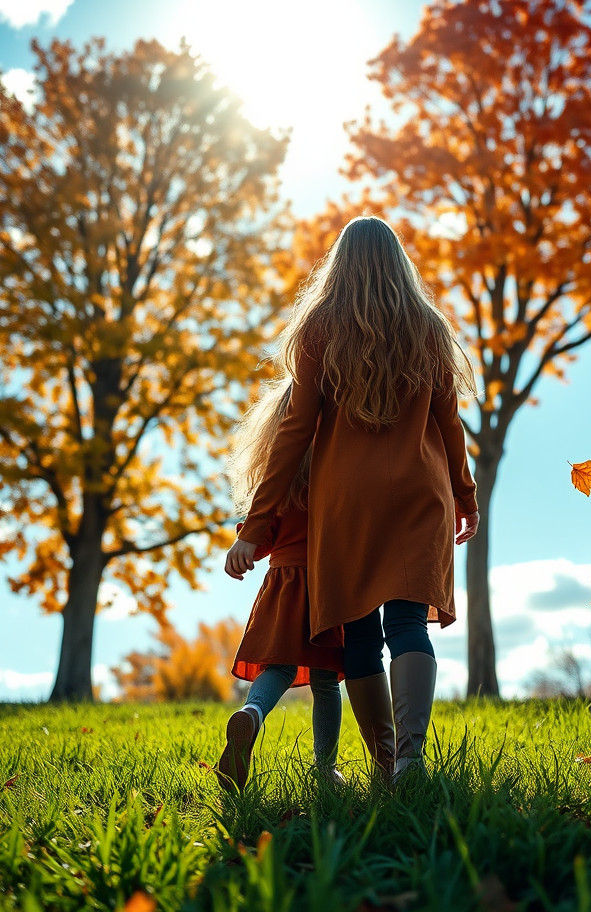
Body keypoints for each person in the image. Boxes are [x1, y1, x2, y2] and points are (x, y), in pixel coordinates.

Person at [225, 215, 479, 785]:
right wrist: (465, 494)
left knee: (362, 632)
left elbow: (292, 432)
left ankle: (385, 764)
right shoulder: (427, 328)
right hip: (421, 493)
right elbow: (450, 423)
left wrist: (254, 525)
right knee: (409, 622)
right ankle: (411, 758)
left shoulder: (321, 328)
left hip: (347, 505)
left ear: (337, 265)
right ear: (399, 264)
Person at [217, 381, 346, 793]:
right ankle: (325, 768)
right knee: (326, 679)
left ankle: (252, 712)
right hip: (327, 587)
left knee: (279, 666)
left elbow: (261, 537)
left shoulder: (280, 483)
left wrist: (243, 548)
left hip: (282, 585)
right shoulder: (337, 477)